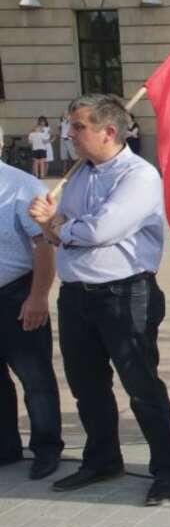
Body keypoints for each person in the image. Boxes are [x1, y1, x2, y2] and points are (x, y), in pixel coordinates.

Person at [27, 93, 170, 506]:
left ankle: (167, 469)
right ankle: (102, 460)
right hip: (76, 294)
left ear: (108, 131)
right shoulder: (79, 173)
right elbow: (63, 233)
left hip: (124, 294)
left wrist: (59, 224)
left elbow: (100, 231)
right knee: (87, 385)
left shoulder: (139, 176)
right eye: (70, 125)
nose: (70, 134)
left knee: (142, 386)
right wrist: (57, 225)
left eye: (78, 127)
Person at [0, 156, 62, 481]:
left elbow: (44, 246)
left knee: (35, 377)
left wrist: (38, 297)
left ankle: (46, 448)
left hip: (16, 294)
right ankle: (5, 447)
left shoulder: (21, 186)